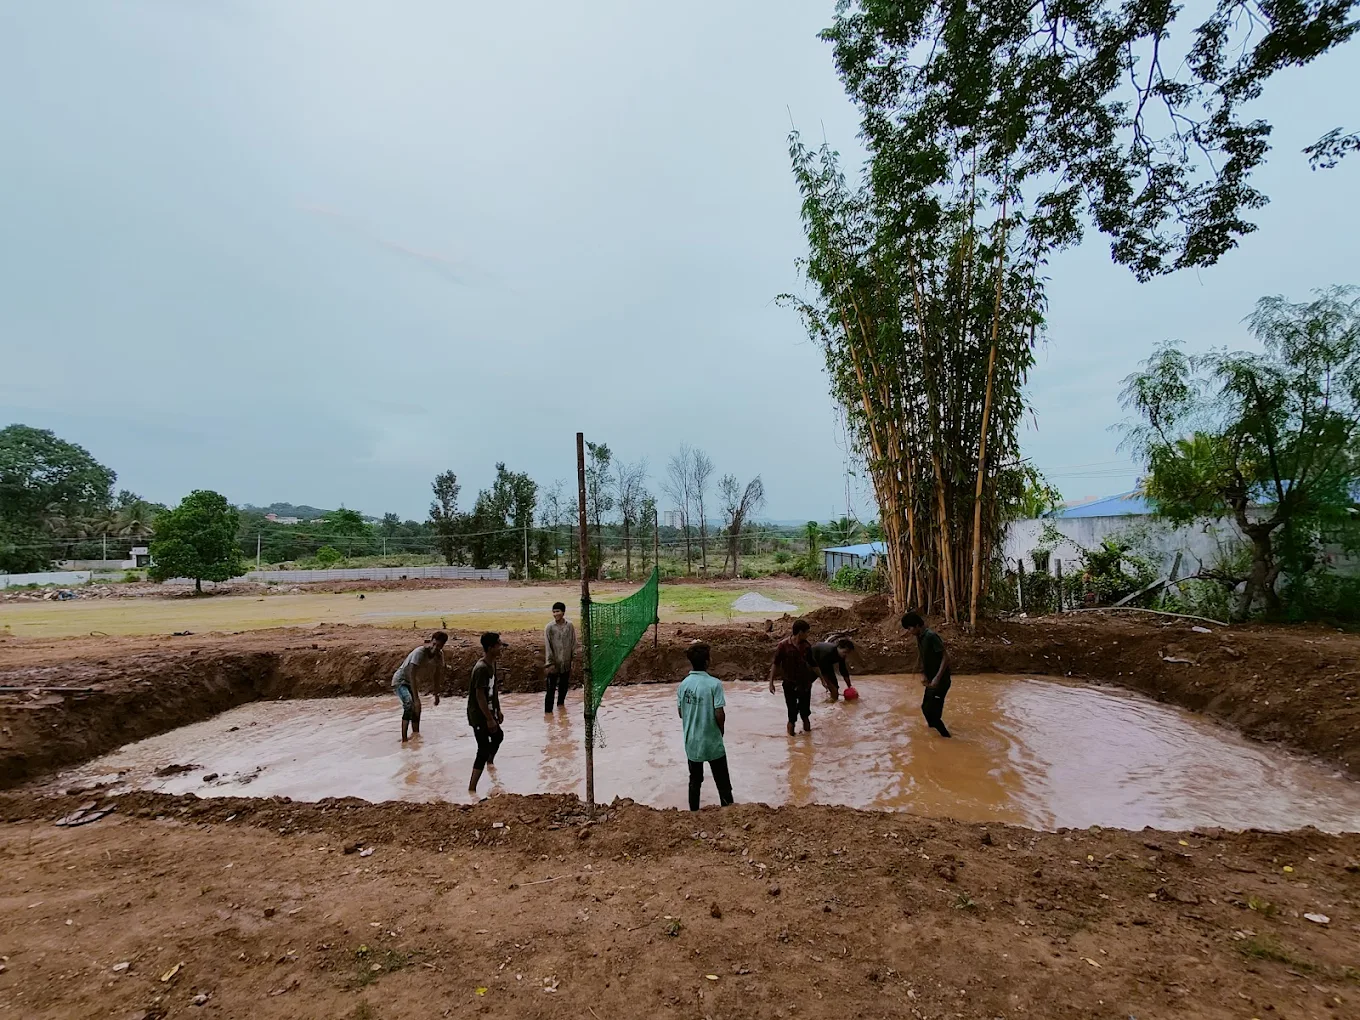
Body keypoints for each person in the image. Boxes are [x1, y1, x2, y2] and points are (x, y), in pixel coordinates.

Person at [676, 641, 733, 811]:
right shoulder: (714, 684)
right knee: (722, 781)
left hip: (692, 742)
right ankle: (729, 811)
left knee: (695, 780)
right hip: (712, 740)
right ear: (707, 662)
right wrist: (721, 731)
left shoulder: (683, 685)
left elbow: (681, 713)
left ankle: (694, 813)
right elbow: (719, 713)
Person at [901, 612, 951, 737]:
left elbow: (946, 657)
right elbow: (923, 656)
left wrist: (937, 678)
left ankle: (947, 738)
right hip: (931, 680)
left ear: (917, 625)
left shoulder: (931, 636)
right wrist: (923, 673)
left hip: (941, 681)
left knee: (934, 714)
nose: (909, 631)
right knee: (925, 708)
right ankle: (933, 733)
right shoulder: (919, 636)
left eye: (909, 628)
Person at [391, 631, 447, 743]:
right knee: (409, 704)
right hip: (400, 681)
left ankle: (415, 735)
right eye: (434, 644)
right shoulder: (420, 652)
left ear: (442, 646)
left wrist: (436, 694)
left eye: (439, 646)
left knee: (417, 708)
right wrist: (416, 699)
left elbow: (437, 675)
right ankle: (404, 739)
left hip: (412, 682)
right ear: (431, 641)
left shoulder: (439, 656)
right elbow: (412, 673)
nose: (435, 648)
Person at [467, 631, 505, 794]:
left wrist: (498, 709)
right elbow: (479, 696)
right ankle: (472, 789)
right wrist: (489, 719)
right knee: (482, 748)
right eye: (499, 645)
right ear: (490, 648)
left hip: (489, 710)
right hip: (478, 714)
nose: (501, 647)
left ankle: (490, 763)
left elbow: (493, 689)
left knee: (498, 736)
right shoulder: (481, 668)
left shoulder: (492, 664)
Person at [768, 618, 816, 735]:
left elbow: (814, 665)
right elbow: (775, 664)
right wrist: (771, 682)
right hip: (789, 684)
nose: (808, 635)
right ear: (800, 632)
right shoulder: (783, 646)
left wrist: (823, 680)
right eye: (807, 632)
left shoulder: (806, 646)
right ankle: (791, 740)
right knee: (792, 716)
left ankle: (808, 740)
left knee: (805, 714)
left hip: (804, 684)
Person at [543, 601, 576, 713]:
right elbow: (548, 646)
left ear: (563, 612)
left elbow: (573, 643)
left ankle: (561, 708)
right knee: (550, 689)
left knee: (564, 687)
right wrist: (550, 663)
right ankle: (548, 712)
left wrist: (573, 659)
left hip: (566, 661)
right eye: (554, 612)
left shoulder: (569, 626)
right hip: (554, 663)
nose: (555, 614)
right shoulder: (549, 627)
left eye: (558, 611)